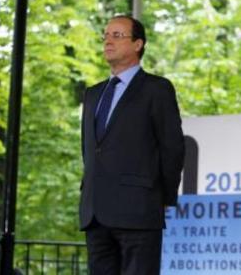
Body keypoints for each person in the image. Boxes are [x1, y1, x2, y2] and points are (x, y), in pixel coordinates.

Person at [79, 15, 185, 275]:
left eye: (117, 35)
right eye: (105, 35)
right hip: (95, 213)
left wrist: (162, 197)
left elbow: (172, 148)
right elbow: (90, 150)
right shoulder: (93, 94)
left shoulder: (157, 89)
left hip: (139, 210)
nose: (108, 41)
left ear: (138, 44)